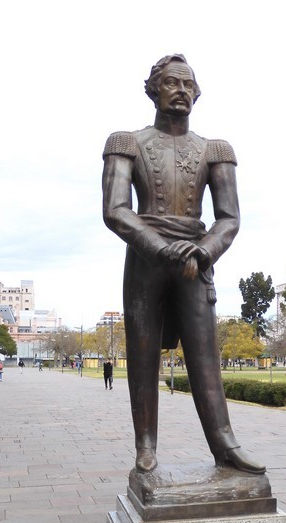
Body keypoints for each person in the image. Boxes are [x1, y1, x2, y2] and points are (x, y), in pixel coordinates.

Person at [102, 54, 265, 475]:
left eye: (188, 85)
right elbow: (116, 210)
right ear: (153, 89)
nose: (181, 91)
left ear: (197, 93)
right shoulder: (127, 142)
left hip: (195, 260)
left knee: (204, 354)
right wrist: (158, 248)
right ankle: (145, 445)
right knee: (142, 355)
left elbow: (229, 217)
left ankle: (224, 444)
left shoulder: (215, 151)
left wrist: (204, 250)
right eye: (171, 83)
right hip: (146, 258)